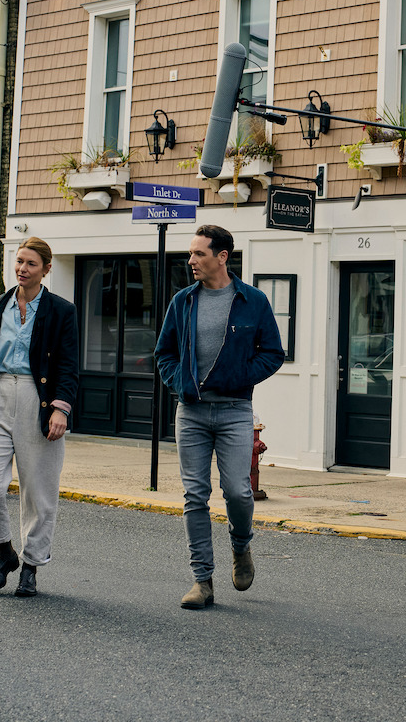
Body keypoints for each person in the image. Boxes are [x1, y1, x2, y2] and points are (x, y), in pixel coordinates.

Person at [155, 224, 284, 610]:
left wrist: (238, 377)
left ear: (222, 257)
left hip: (234, 411)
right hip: (191, 411)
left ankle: (241, 547)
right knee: (195, 495)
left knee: (239, 491)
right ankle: (202, 580)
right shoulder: (182, 301)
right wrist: (180, 383)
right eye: (191, 253)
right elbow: (165, 353)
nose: (191, 260)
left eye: (198, 254)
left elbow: (273, 353)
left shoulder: (253, 300)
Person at [0, 237, 79, 598]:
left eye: (31, 264)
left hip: (39, 402)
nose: (22, 269)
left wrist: (61, 407)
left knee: (39, 494)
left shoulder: (61, 311)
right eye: (20, 261)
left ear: (46, 270)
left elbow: (69, 365)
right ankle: (5, 553)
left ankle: (32, 567)